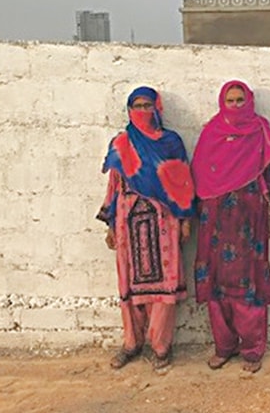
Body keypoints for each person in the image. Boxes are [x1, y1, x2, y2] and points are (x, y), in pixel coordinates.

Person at [96, 86, 196, 371]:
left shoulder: (170, 143)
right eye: (136, 106)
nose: (142, 111)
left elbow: (183, 182)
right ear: (128, 110)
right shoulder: (121, 142)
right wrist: (110, 223)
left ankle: (161, 347)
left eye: (147, 105)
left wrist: (186, 220)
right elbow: (114, 184)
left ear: (157, 108)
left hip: (164, 221)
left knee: (164, 287)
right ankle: (132, 343)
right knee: (129, 285)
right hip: (128, 220)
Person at [191, 79, 270, 373]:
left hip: (248, 218)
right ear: (222, 102)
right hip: (215, 220)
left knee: (249, 284)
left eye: (239, 100)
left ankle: (252, 349)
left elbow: (267, 176)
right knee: (216, 282)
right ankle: (224, 347)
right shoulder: (211, 133)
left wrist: (267, 212)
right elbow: (199, 173)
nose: (234, 105)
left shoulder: (258, 132)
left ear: (249, 102)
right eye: (230, 100)